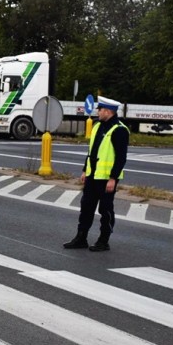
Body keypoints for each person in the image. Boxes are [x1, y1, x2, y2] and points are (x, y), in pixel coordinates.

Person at [64, 96, 130, 252]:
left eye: (99, 110)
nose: (98, 112)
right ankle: (81, 238)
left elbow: (121, 157)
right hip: (92, 176)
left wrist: (113, 178)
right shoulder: (97, 126)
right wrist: (85, 170)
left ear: (107, 111)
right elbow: (91, 151)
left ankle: (103, 240)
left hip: (107, 179)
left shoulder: (119, 130)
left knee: (105, 210)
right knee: (86, 207)